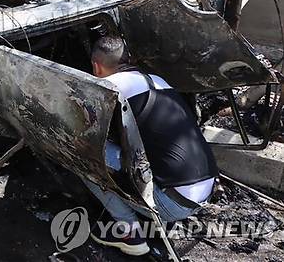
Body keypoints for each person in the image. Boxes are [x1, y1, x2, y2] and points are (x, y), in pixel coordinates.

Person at [85, 36, 218, 256]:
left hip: (173, 203)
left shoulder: (109, 87)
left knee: (84, 154)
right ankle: (155, 221)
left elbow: (87, 129)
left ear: (96, 66)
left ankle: (128, 232)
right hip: (203, 192)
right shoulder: (157, 80)